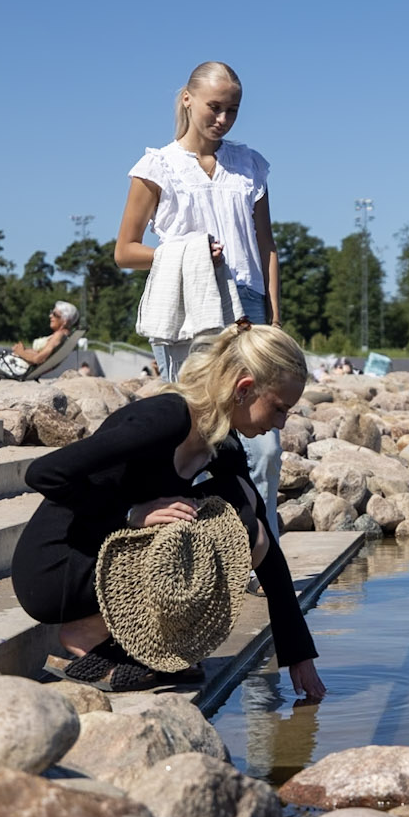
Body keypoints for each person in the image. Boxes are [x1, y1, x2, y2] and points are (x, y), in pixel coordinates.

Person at [11, 321, 324, 697]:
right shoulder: (165, 417)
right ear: (244, 389)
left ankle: (135, 637)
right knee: (234, 518)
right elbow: (43, 473)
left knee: (246, 520)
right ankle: (87, 631)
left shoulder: (221, 442)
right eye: (278, 409)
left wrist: (297, 652)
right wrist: (129, 514)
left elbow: (266, 546)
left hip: (109, 555)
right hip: (58, 565)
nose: (281, 423)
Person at [114, 61, 283, 530]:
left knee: (265, 445)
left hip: (248, 309)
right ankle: (187, 549)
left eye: (233, 110)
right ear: (188, 99)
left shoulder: (250, 165)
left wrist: (275, 318)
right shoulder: (157, 166)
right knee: (194, 438)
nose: (223, 119)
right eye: (215, 107)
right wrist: (185, 253)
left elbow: (266, 246)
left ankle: (260, 550)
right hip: (187, 309)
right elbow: (124, 251)